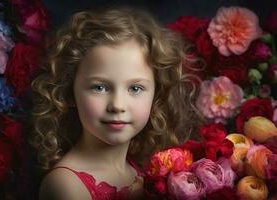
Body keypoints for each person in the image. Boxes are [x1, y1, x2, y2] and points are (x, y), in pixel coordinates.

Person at [30, 6, 203, 200]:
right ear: (70, 92)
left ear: (156, 95)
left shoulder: (141, 172)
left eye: (135, 88)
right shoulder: (66, 186)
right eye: (100, 87)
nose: (117, 105)